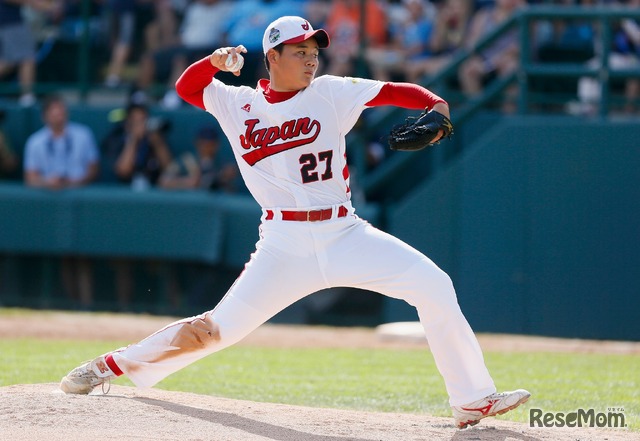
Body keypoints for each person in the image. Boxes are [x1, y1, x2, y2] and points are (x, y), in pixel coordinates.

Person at [59, 15, 530, 429]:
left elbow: (394, 91)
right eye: (300, 51)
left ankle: (471, 400)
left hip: (344, 233)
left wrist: (438, 104)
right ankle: (109, 366)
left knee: (434, 285)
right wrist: (213, 63)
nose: (311, 59)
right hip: (282, 244)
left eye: (313, 51)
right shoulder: (237, 103)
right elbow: (186, 87)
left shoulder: (329, 92)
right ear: (273, 56)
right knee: (217, 331)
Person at [23, 94, 100, 308]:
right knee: (61, 256)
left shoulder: (82, 134)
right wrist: (49, 183)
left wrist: (75, 182)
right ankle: (69, 303)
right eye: (54, 111)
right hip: (48, 208)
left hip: (80, 203)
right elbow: (30, 178)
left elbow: (93, 168)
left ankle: (87, 304)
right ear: (45, 116)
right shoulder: (36, 141)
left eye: (61, 110)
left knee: (83, 254)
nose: (59, 115)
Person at [101, 102, 173, 187]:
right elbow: (123, 172)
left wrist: (158, 143)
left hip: (153, 189)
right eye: (136, 122)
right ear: (127, 123)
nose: (141, 126)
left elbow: (170, 169)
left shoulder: (153, 138)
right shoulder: (116, 139)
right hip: (123, 190)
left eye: (143, 120)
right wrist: (133, 139)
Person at [159, 125, 238, 192]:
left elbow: (230, 192)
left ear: (217, 145)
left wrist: (224, 180)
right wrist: (187, 182)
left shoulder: (221, 164)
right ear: (197, 142)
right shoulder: (187, 160)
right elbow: (164, 181)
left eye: (211, 144)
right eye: (204, 143)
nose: (207, 147)